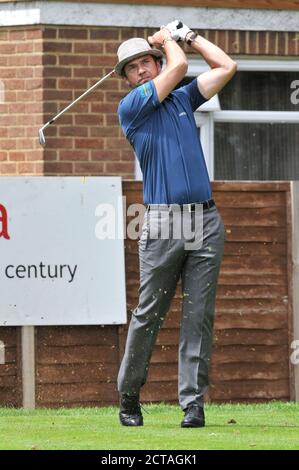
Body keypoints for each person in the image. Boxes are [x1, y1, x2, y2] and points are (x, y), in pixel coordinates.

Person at [115, 20, 237, 427]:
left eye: (146, 61)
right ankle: (130, 396)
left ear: (153, 61)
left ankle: (192, 403)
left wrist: (188, 35)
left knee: (198, 315)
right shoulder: (132, 108)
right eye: (133, 68)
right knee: (149, 312)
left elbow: (226, 66)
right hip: (164, 222)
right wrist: (168, 43)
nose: (142, 70)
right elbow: (180, 66)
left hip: (205, 218)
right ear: (128, 79)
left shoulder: (183, 100)